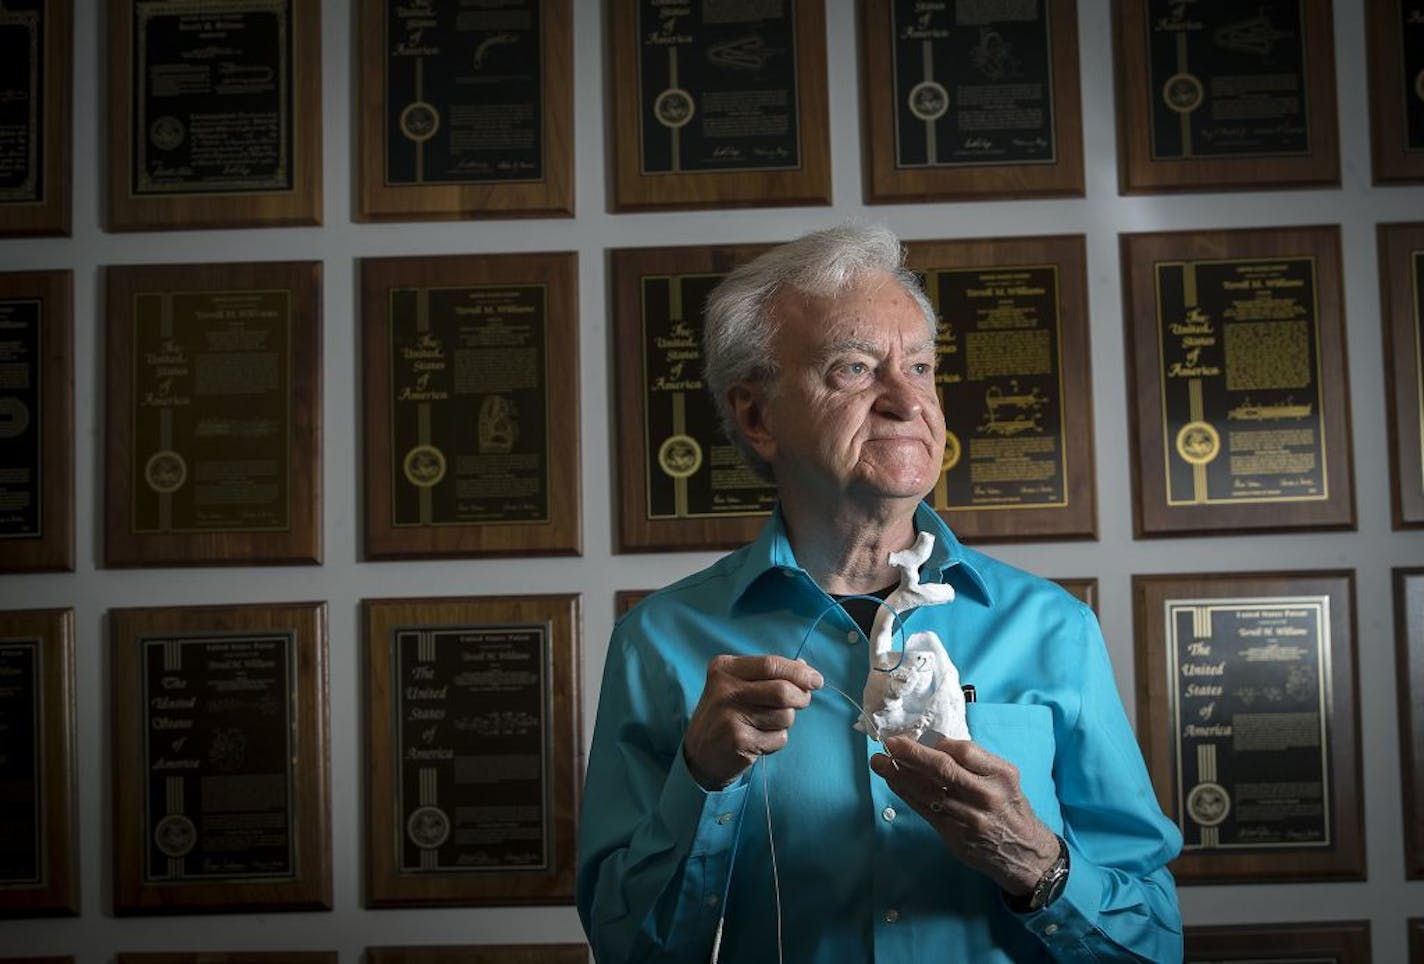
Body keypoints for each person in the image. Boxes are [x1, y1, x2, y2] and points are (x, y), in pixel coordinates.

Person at [576, 223, 1183, 962]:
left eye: (921, 366)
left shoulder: (1056, 629)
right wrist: (699, 782)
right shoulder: (661, 642)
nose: (907, 401)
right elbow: (625, 947)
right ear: (757, 416)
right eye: (855, 368)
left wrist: (1035, 864)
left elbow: (1153, 945)